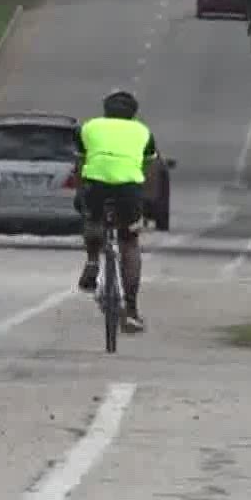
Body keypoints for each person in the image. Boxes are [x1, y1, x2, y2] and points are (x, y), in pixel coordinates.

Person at [73, 89, 159, 332]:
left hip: (96, 183)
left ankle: (92, 261)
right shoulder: (143, 132)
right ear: (134, 114)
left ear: (105, 110)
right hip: (129, 188)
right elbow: (150, 169)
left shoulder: (88, 127)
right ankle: (131, 310)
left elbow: (79, 163)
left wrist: (81, 194)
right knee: (129, 242)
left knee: (92, 218)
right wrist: (148, 202)